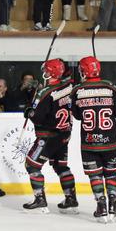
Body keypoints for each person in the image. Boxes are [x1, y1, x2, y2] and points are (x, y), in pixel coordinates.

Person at [71, 56, 116, 221]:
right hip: (110, 141)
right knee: (111, 174)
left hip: (89, 142)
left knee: (95, 175)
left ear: (84, 71)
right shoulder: (110, 87)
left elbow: (78, 116)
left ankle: (101, 206)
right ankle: (113, 206)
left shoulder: (77, 90)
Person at [22, 58, 78, 214]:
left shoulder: (45, 92)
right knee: (61, 166)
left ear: (51, 72)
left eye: (46, 70)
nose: (44, 72)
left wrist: (29, 110)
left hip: (48, 136)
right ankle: (71, 198)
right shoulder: (69, 86)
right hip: (64, 135)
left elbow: (38, 117)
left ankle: (40, 199)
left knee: (31, 165)